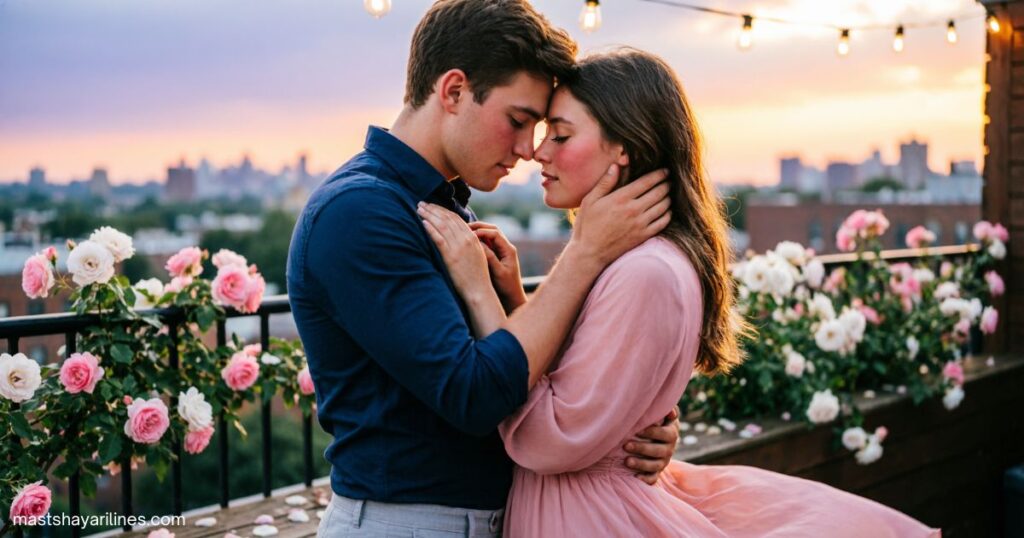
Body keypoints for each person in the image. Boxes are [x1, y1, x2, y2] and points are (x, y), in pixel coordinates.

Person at [419, 48, 941, 537]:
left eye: (560, 135)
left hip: (585, 516)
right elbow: (581, 384)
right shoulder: (633, 260)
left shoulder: (645, 271)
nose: (538, 153)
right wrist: (515, 298)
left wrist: (478, 290)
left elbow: (546, 439)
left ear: (624, 147)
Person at [287, 2, 680, 537]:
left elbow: (521, 374)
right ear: (453, 92)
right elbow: (474, 395)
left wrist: (624, 420)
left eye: (541, 129)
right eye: (518, 122)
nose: (527, 149)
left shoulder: (442, 206)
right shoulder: (359, 213)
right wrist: (584, 254)